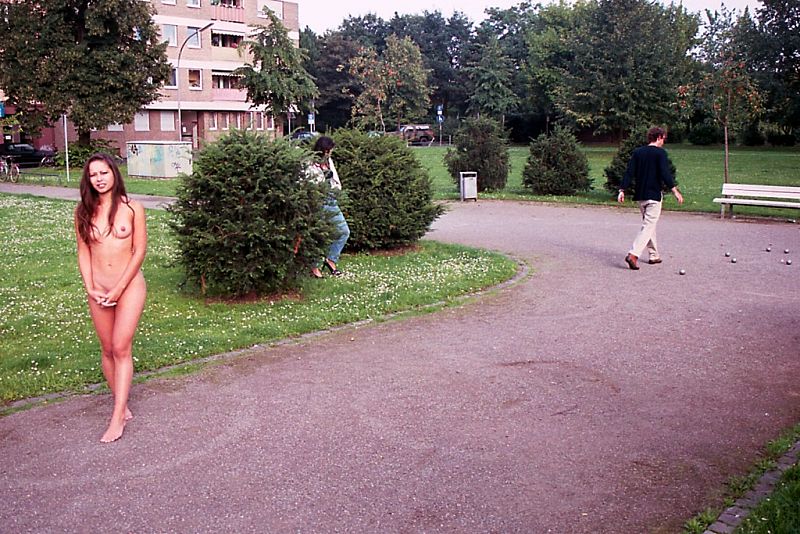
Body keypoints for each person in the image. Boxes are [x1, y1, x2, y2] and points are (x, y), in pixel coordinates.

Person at [74, 153, 147, 442]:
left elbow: (139, 251)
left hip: (128, 287)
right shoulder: (83, 211)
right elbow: (83, 252)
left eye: (104, 172)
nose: (99, 179)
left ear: (114, 173)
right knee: (106, 349)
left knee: (120, 347)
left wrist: (118, 289)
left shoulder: (132, 208)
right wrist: (90, 287)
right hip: (99, 290)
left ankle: (117, 417)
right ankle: (122, 403)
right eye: (93, 175)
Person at [617, 126, 684, 270]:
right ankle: (633, 254)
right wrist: (675, 191)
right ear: (659, 137)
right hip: (654, 195)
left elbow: (629, 172)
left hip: (641, 196)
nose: (664, 142)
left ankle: (654, 255)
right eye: (663, 139)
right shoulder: (660, 153)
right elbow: (665, 173)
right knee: (648, 226)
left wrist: (622, 190)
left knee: (649, 225)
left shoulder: (638, 152)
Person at [307, 136, 350, 278]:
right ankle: (314, 267)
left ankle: (331, 260)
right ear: (325, 150)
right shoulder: (310, 163)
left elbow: (335, 180)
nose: (331, 152)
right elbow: (307, 182)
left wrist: (336, 189)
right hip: (318, 200)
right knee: (319, 235)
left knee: (343, 231)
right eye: (330, 150)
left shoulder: (329, 162)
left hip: (331, 199)